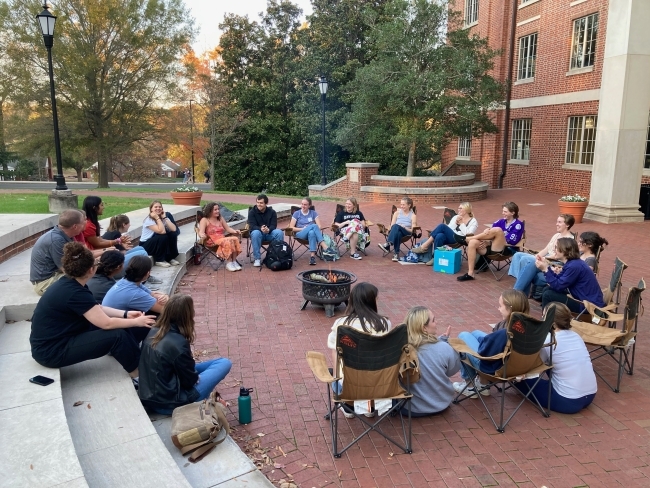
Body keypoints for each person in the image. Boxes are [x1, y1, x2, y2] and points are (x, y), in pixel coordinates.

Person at [29, 242, 156, 386]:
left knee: (120, 326)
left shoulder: (70, 283)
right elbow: (106, 323)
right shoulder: (75, 292)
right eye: (96, 262)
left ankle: (133, 357)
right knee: (117, 336)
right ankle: (139, 378)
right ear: (91, 270)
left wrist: (126, 314)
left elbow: (97, 308)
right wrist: (136, 322)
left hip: (60, 338)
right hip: (52, 351)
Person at [138, 294, 232, 414]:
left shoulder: (154, 331)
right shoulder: (179, 343)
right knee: (224, 363)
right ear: (187, 316)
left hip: (152, 394)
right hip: (170, 403)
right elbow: (189, 382)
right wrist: (193, 376)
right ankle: (205, 398)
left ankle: (206, 394)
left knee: (215, 363)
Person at [516, 303, 596, 414]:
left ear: (551, 321)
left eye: (543, 316)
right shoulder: (576, 336)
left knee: (518, 380)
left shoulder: (549, 339)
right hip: (590, 395)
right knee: (554, 361)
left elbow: (533, 365)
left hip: (568, 400)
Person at [327, 282, 391, 418]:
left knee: (336, 355)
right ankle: (370, 406)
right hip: (381, 384)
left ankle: (348, 406)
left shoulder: (341, 324)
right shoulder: (385, 324)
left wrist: (336, 376)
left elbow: (335, 353)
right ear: (371, 301)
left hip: (349, 386)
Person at [452, 290, 530, 397]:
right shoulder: (527, 325)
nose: (498, 309)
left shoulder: (505, 332)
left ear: (510, 308)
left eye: (500, 306)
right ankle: (483, 385)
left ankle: (470, 387)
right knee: (475, 333)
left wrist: (483, 344)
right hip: (512, 364)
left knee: (463, 337)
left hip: (494, 369)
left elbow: (485, 354)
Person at [403, 306, 460, 417]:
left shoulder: (401, 349)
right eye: (433, 320)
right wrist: (444, 343)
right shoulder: (444, 348)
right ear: (424, 328)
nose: (436, 322)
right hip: (441, 404)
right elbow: (451, 371)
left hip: (410, 407)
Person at [508, 214, 576, 296]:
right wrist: (537, 255)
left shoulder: (569, 240)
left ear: (567, 225)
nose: (556, 224)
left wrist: (543, 258)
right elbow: (546, 249)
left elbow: (559, 257)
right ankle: (520, 289)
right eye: (557, 221)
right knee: (518, 255)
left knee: (525, 260)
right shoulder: (556, 235)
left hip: (554, 262)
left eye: (559, 222)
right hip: (546, 257)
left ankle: (517, 293)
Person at [457, 201, 524, 282]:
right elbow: (490, 233)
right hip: (492, 247)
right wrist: (488, 235)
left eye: (505, 211)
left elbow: (511, 241)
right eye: (503, 211)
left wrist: (490, 241)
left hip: (506, 249)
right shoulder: (501, 221)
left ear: (513, 213)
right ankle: (470, 273)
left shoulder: (518, 224)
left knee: (498, 230)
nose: (503, 213)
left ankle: (472, 237)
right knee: (473, 243)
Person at [536, 238, 605, 313]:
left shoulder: (574, 266)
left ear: (565, 250)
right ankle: (551, 319)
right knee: (547, 289)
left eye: (556, 247)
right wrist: (547, 267)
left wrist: (545, 269)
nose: (554, 250)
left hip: (588, 306)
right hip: (583, 299)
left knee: (548, 294)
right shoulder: (572, 263)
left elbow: (558, 286)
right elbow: (558, 280)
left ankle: (547, 321)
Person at [30, 209, 85, 295]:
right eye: (83, 222)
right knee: (85, 279)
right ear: (75, 226)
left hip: (56, 274)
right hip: (45, 282)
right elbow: (67, 269)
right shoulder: (56, 240)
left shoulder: (66, 235)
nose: (85, 224)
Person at [412, 202, 479, 266]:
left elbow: (468, 234)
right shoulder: (456, 217)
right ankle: (436, 258)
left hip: (461, 239)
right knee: (439, 236)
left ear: (467, 210)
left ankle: (424, 246)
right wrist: (455, 223)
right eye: (458, 208)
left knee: (442, 226)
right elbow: (449, 228)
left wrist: (461, 224)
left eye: (461, 208)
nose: (458, 209)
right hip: (451, 237)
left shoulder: (473, 221)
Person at [102, 214, 163, 283]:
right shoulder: (116, 234)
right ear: (124, 225)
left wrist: (124, 248)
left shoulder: (113, 232)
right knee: (142, 253)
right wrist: (125, 249)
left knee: (140, 248)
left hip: (115, 261)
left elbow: (119, 252)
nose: (130, 225)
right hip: (114, 268)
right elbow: (121, 254)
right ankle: (143, 277)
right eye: (128, 223)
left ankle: (144, 275)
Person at [102, 255, 169, 316]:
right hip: (117, 326)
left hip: (111, 318)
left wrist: (164, 296)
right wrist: (167, 297)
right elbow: (165, 310)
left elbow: (153, 294)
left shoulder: (126, 280)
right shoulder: (135, 293)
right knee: (166, 315)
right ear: (148, 273)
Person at [198, 202, 243, 272]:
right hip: (211, 241)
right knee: (227, 241)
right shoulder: (204, 220)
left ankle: (234, 261)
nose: (218, 211)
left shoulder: (220, 218)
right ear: (209, 211)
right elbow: (201, 232)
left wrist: (235, 231)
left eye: (218, 209)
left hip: (221, 239)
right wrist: (202, 235)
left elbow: (228, 229)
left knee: (235, 238)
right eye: (215, 210)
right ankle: (228, 263)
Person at [289, 197, 329, 265]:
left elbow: (319, 226)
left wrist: (310, 228)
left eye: (305, 204)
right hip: (300, 234)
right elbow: (291, 227)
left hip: (310, 235)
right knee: (314, 226)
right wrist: (303, 229)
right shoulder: (296, 213)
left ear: (309, 206)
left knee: (312, 232)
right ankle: (324, 245)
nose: (303, 206)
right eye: (302, 204)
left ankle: (312, 258)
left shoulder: (313, 213)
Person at [140, 201, 180, 268]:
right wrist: (157, 218)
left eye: (160, 207)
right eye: (155, 207)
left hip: (155, 242)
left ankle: (170, 258)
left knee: (172, 234)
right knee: (163, 236)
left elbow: (174, 229)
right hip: (146, 245)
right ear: (151, 209)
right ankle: (159, 260)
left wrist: (164, 218)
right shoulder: (149, 220)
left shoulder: (163, 217)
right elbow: (161, 231)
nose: (158, 208)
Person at [248, 194, 284, 267]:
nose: (259, 204)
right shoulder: (252, 212)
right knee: (255, 233)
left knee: (279, 232)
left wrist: (268, 229)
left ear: (266, 203)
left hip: (269, 234)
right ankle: (257, 258)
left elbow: (274, 225)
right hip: (258, 234)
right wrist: (260, 229)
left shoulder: (272, 212)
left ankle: (276, 256)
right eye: (257, 202)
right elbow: (252, 226)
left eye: (261, 203)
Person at [378, 197, 417, 262]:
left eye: (403, 205)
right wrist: (388, 230)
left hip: (406, 232)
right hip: (396, 231)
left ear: (409, 205)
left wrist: (404, 227)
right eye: (401, 204)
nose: (401, 206)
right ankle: (396, 254)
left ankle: (388, 244)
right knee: (398, 233)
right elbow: (392, 225)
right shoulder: (397, 213)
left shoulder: (413, 215)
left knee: (397, 226)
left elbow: (412, 230)